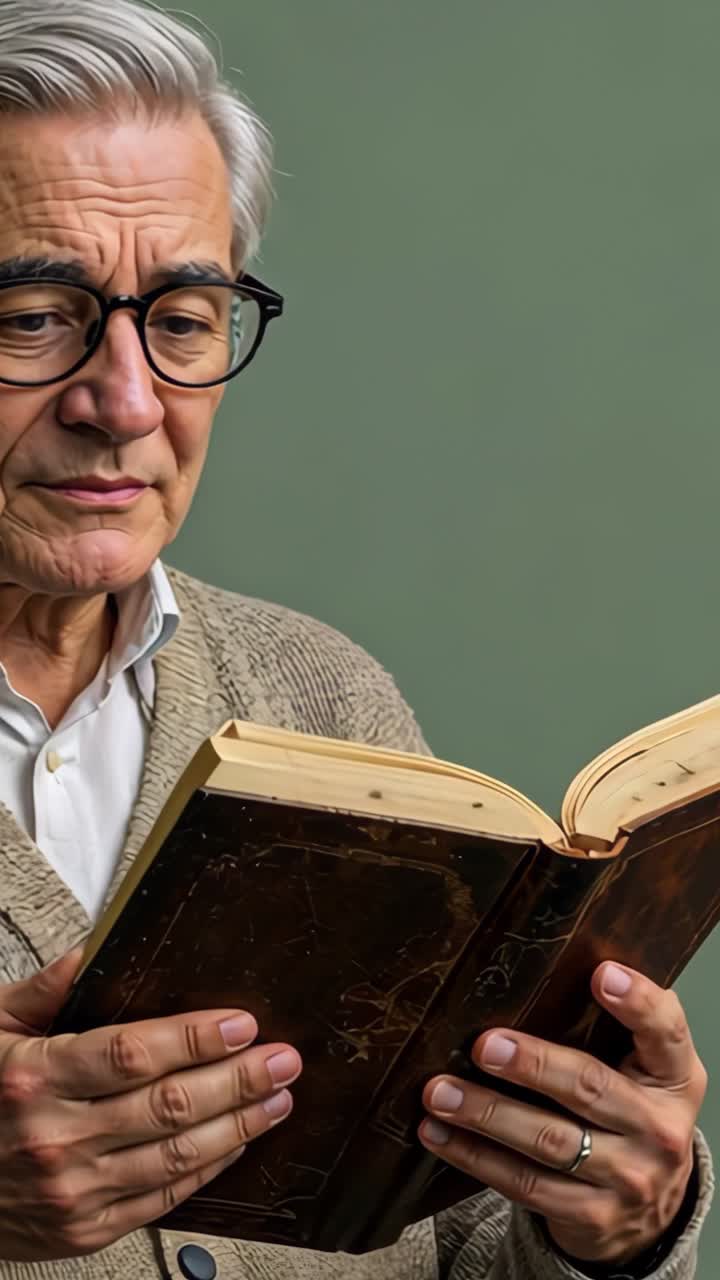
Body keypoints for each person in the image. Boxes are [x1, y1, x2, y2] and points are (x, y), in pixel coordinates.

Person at [0, 1, 711, 1277]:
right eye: (34, 314)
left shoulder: (325, 699)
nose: (124, 403)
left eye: (182, 316)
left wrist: (600, 1222)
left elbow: (441, 1240)